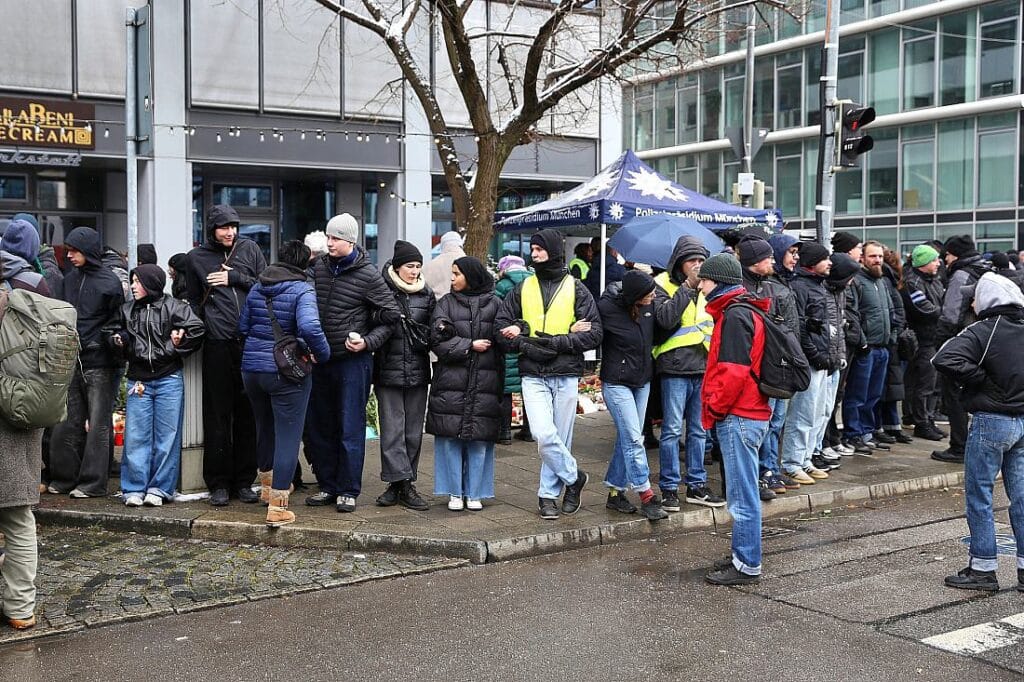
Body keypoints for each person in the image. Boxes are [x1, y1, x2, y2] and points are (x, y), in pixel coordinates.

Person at [496, 228, 603, 520]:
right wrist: (525, 336)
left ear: (553, 251)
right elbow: (501, 329)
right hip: (532, 371)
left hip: (565, 372)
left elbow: (594, 333)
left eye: (539, 249)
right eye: (532, 249)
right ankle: (575, 478)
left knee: (560, 437)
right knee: (544, 435)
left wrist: (555, 343)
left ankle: (547, 496)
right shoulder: (523, 287)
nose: (534, 254)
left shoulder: (577, 288)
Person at [932, 273, 1024, 592]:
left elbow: (942, 358)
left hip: (991, 420)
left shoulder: (983, 329)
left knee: (980, 494)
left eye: (975, 296)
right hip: (1023, 422)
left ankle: (983, 569)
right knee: (1022, 497)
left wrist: (978, 380)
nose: (971, 301)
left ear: (988, 300)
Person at [305, 213, 400, 513]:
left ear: (350, 241)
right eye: (329, 237)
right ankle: (328, 485)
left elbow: (392, 316)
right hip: (319, 359)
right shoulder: (317, 268)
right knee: (320, 426)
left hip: (352, 363)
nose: (329, 243)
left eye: (335, 239)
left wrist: (367, 343)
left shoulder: (368, 275)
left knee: (349, 426)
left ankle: (348, 489)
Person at [238, 240, 330, 526]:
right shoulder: (302, 289)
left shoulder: (257, 286)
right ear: (304, 263)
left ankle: (266, 489)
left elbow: (242, 327)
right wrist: (321, 354)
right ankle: (278, 506)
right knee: (288, 436)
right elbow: (310, 327)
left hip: (252, 370)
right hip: (285, 373)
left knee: (264, 427)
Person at [183, 204, 267, 506]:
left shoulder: (250, 249)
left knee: (248, 413)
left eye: (233, 226)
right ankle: (218, 483)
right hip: (217, 343)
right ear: (211, 229)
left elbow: (264, 286)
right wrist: (197, 327)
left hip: (250, 342)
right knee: (217, 415)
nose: (229, 232)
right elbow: (191, 300)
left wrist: (236, 279)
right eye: (223, 227)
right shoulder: (196, 258)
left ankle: (244, 481)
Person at [697, 254, 772, 586]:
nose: (700, 286)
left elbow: (733, 372)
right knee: (744, 491)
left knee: (742, 495)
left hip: (739, 415)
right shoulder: (743, 311)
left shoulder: (734, 316)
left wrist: (714, 408)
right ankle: (743, 553)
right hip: (748, 413)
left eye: (704, 280)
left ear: (719, 283)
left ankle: (746, 564)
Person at [112, 265, 204, 507]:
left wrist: (173, 349)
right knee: (135, 437)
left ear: (151, 283)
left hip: (168, 379)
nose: (133, 286)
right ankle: (133, 488)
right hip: (139, 379)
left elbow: (197, 329)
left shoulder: (173, 306)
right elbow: (112, 332)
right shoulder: (127, 309)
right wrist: (121, 342)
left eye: (137, 281)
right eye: (132, 281)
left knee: (167, 437)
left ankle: (160, 488)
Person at [48, 227, 124, 498]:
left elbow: (117, 323)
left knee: (98, 424)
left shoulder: (109, 282)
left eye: (74, 250)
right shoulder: (70, 279)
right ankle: (65, 478)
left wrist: (104, 343)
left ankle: (92, 483)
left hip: (100, 362)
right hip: (74, 358)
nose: (69, 255)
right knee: (66, 421)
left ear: (88, 251)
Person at [652, 236, 724, 511]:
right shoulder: (662, 285)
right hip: (675, 367)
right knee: (671, 430)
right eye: (691, 261)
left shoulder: (710, 286)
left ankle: (697, 485)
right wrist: (687, 288)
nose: (697, 266)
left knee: (699, 431)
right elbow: (666, 320)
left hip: (704, 366)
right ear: (679, 263)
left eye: (700, 261)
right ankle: (669, 488)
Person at [428, 257, 504, 511]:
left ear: (470, 275)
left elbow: (506, 335)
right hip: (451, 381)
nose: (452, 279)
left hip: (485, 381)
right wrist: (469, 345)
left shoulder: (495, 304)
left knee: (479, 439)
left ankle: (475, 493)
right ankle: (454, 492)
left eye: (457, 274)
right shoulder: (445, 303)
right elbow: (436, 340)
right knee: (450, 438)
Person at [598, 270, 668, 521]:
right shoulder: (606, 308)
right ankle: (646, 494)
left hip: (642, 380)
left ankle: (616, 493)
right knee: (634, 438)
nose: (653, 296)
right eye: (649, 293)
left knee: (629, 439)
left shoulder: (650, 306)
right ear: (635, 296)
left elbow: (660, 332)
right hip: (616, 382)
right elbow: (593, 334)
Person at [373, 240, 434, 511]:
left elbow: (433, 327)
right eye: (410, 266)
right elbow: (370, 319)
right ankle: (400, 483)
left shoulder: (426, 293)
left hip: (418, 370)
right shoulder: (381, 290)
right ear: (397, 267)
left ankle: (403, 483)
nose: (415, 271)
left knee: (412, 432)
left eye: (418, 266)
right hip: (388, 368)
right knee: (392, 431)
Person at [738, 235, 800, 499]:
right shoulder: (742, 289)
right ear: (755, 262)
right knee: (760, 424)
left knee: (775, 422)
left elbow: (788, 329)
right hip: (756, 368)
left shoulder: (772, 287)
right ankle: (761, 473)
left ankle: (769, 469)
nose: (773, 261)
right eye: (768, 258)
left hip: (776, 365)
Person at [781, 243, 842, 485]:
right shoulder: (800, 287)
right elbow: (801, 327)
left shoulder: (820, 286)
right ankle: (792, 462)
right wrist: (815, 354)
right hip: (810, 361)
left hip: (822, 361)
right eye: (824, 259)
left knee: (817, 413)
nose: (829, 263)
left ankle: (805, 458)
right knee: (802, 414)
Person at [933, 235, 994, 464]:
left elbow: (951, 314)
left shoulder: (961, 274)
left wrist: (942, 346)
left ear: (955, 254)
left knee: (954, 395)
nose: (945, 260)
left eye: (947, 255)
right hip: (985, 341)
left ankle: (959, 447)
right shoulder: (987, 270)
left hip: (963, 343)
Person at [841, 241, 895, 453]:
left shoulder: (882, 282)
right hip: (866, 348)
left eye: (880, 256)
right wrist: (862, 342)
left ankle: (866, 432)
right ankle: (853, 434)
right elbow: (852, 315)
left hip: (882, 347)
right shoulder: (857, 281)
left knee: (873, 395)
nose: (877, 260)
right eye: (873, 256)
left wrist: (892, 336)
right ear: (862, 258)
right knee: (857, 395)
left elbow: (890, 311)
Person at [901, 245, 946, 441]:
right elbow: (925, 309)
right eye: (934, 260)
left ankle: (925, 418)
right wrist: (945, 315)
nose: (938, 263)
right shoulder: (914, 282)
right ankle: (922, 422)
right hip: (921, 340)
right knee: (924, 384)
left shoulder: (933, 281)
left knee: (927, 382)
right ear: (924, 263)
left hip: (932, 338)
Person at [494, 255, 533, 444]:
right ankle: (529, 430)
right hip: (529, 339)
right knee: (528, 386)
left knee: (506, 388)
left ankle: (504, 432)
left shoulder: (502, 286)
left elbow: (496, 312)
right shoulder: (533, 283)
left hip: (508, 339)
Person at [423, 230, 465, 300]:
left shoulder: (428, 266)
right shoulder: (470, 264)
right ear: (460, 244)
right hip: (463, 306)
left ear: (442, 245)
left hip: (436, 306)